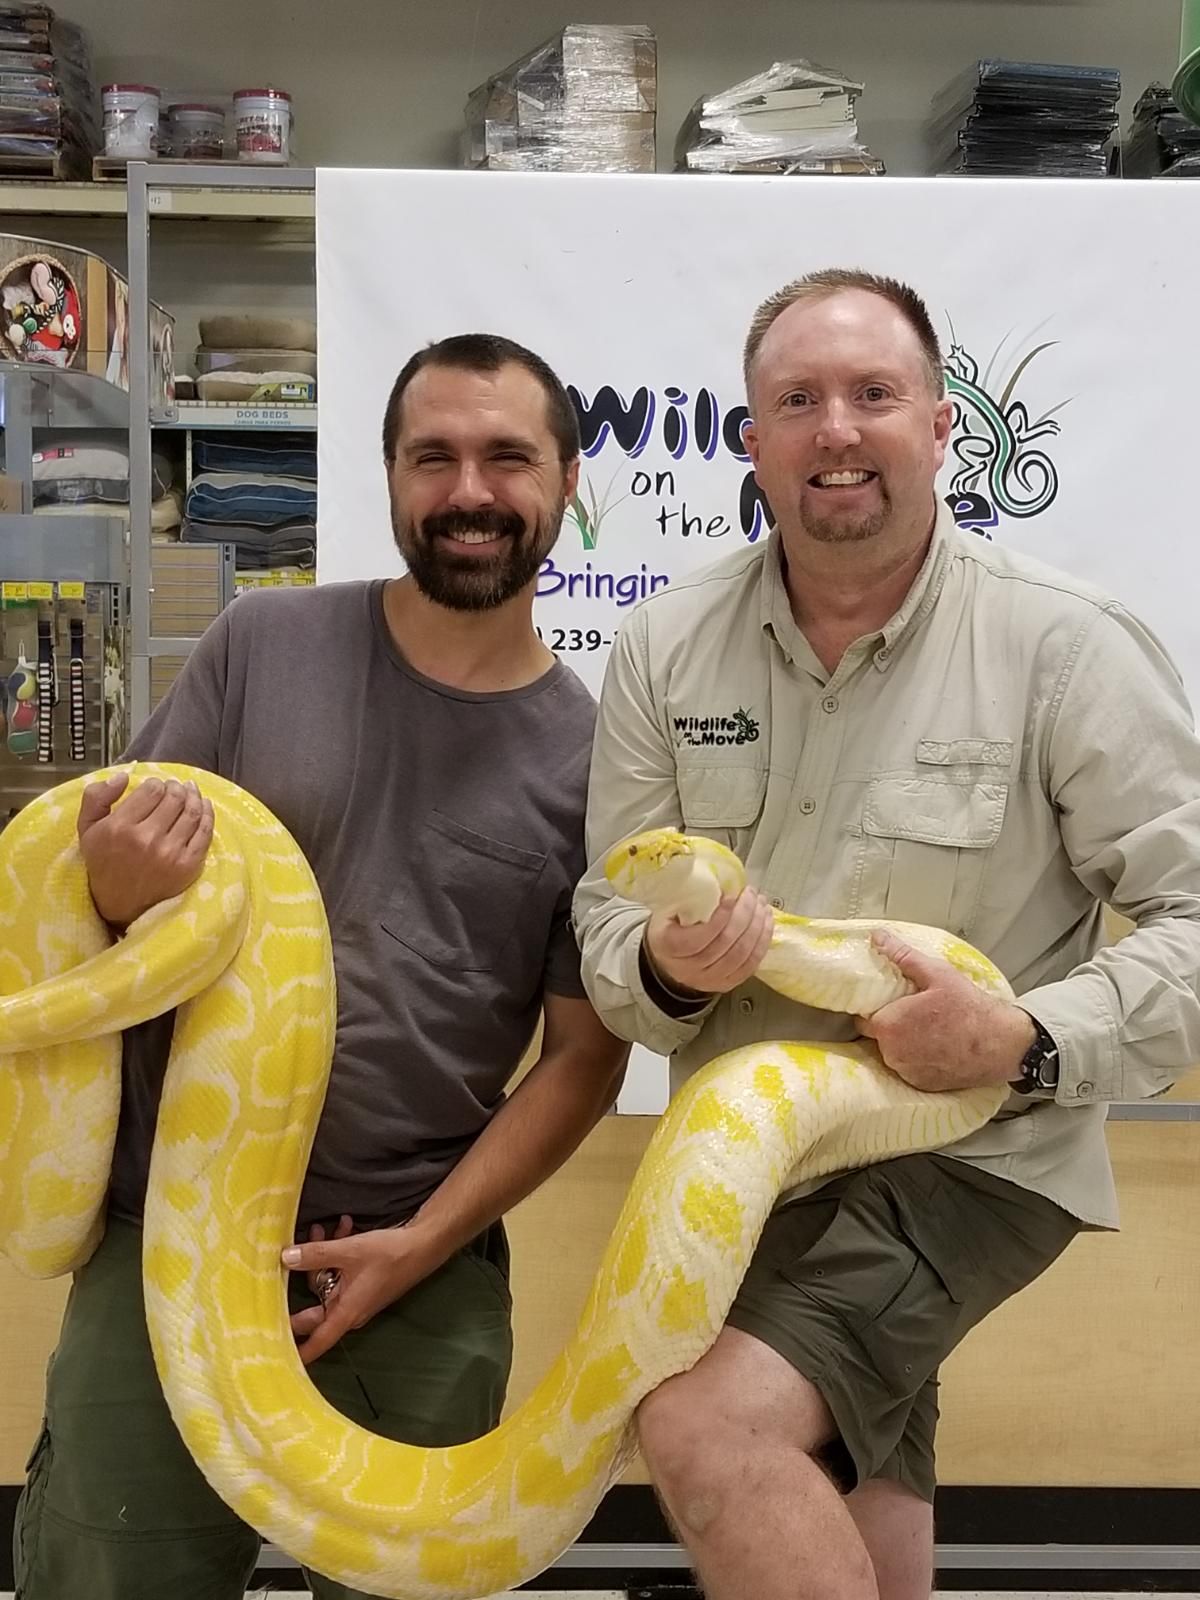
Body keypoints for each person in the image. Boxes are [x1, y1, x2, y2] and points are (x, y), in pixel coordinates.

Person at [574, 268, 1200, 1600]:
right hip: (756, 1161)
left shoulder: (1066, 648)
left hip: (978, 1147)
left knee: (703, 1426)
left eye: (874, 394)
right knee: (850, 1483)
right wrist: (663, 972)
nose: (836, 430)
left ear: (938, 427)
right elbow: (607, 914)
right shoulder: (661, 649)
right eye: (796, 400)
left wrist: (1022, 1036)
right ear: (749, 438)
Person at [15, 333, 627, 1600]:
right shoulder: (259, 648)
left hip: (421, 1263)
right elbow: (101, 883)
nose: (470, 488)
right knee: (109, 1576)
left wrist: (424, 1242)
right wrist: (117, 895)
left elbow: (580, 1063)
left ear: (568, 480)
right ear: (393, 477)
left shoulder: (601, 759)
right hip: (162, 1242)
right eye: (433, 456)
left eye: (508, 455)